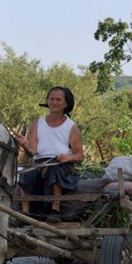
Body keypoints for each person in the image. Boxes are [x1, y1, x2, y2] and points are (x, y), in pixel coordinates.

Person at [13, 86, 84, 222]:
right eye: (51, 99)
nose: (54, 102)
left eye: (58, 99)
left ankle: (55, 210)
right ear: (47, 101)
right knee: (26, 175)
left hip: (61, 164)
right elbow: (32, 152)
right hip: (40, 163)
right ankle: (25, 215)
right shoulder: (36, 123)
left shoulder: (72, 127)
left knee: (54, 171)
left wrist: (67, 157)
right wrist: (25, 144)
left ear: (65, 104)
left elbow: (80, 155)